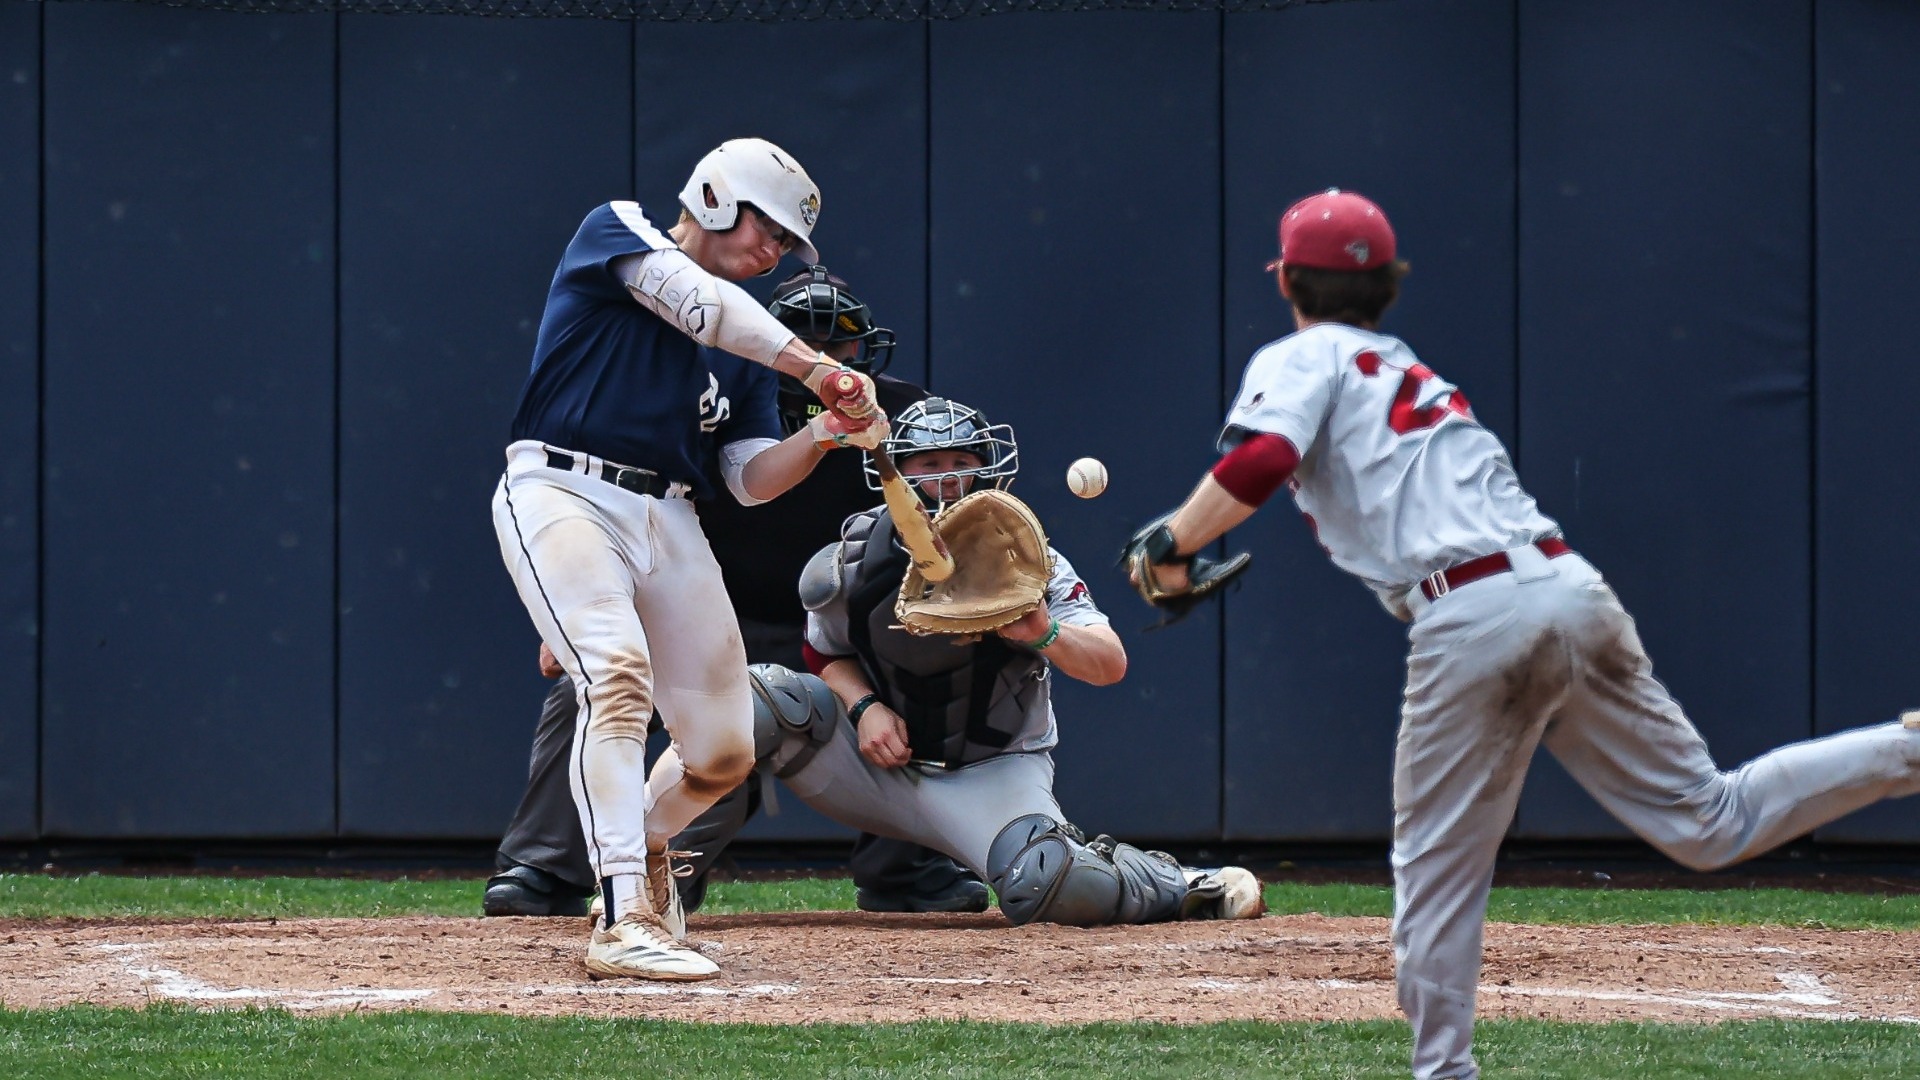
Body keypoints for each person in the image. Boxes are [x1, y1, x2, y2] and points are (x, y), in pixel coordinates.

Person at [1123, 188, 1920, 1079]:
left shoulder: (1310, 352)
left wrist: (1170, 541)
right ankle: (1907, 755)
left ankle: (1443, 1072)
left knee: (1434, 868)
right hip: (1567, 585)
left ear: (1287, 280)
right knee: (1708, 820)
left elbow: (1263, 458)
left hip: (1469, 612)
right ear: (1387, 284)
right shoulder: (1408, 367)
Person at [490, 137, 889, 982]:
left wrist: (822, 433)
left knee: (721, 750)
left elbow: (746, 480)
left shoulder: (749, 341)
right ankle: (622, 911)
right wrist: (818, 370)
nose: (773, 252)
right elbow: (696, 305)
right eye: (768, 228)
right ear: (713, 197)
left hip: (668, 512)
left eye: (786, 242)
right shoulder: (618, 230)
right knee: (617, 677)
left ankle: (651, 845)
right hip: (562, 487)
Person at [485, 267, 987, 922]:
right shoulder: (708, 407)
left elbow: (943, 525)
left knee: (930, 662)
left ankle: (908, 869)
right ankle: (548, 868)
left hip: (842, 635)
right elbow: (626, 516)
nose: (827, 363)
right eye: (807, 344)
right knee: (588, 682)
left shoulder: (899, 412)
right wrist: (573, 614)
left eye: (840, 347)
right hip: (709, 617)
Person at [703, 397, 1266, 928]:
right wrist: (865, 706)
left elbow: (1109, 663)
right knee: (757, 699)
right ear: (896, 473)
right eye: (927, 463)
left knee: (1058, 885)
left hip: (990, 773)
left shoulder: (1029, 560)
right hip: (876, 766)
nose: (946, 477)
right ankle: (655, 884)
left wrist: (1043, 633)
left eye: (960, 462)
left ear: (985, 470)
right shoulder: (856, 554)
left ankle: (1178, 881)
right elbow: (822, 653)